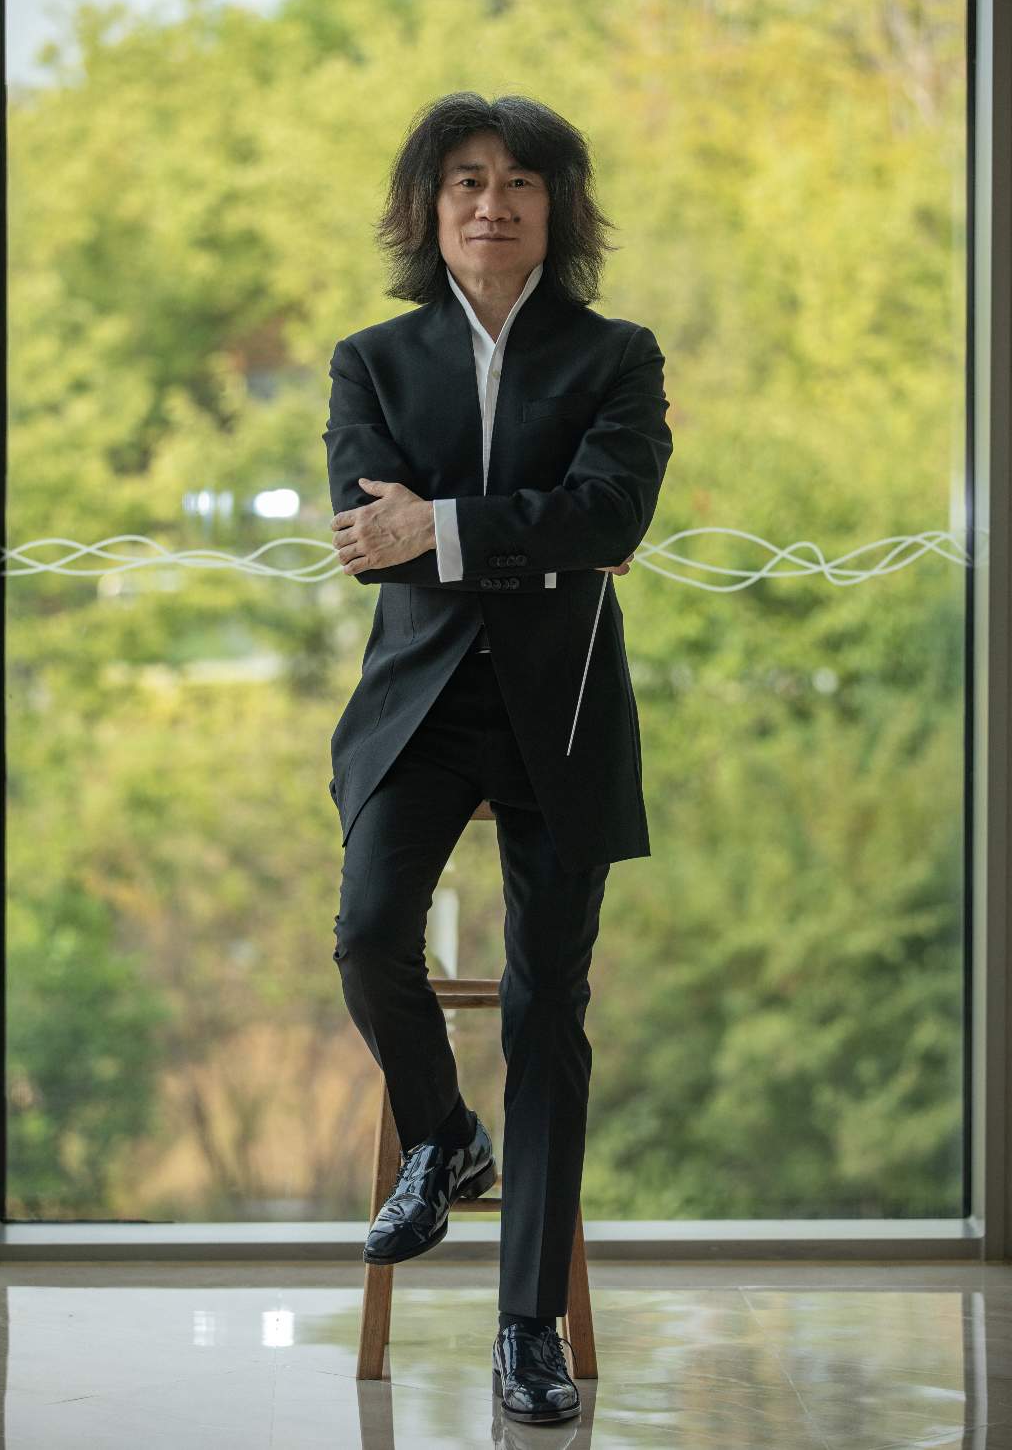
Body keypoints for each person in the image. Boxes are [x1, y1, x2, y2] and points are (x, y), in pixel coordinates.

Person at [326, 91, 671, 1427]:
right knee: (368, 936)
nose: (492, 201)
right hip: (416, 707)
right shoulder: (371, 360)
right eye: (466, 179)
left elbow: (612, 514)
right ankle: (444, 1134)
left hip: (561, 709)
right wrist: (529, 534)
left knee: (544, 1012)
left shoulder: (617, 355)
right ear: (429, 208)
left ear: (557, 208)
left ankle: (528, 1330)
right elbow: (370, 541)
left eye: (521, 180)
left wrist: (449, 527)